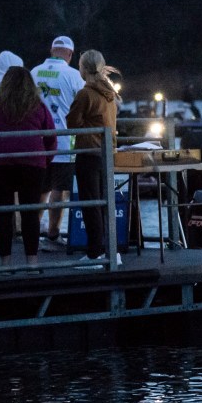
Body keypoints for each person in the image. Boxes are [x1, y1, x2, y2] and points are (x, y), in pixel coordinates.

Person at [0, 66, 57, 267]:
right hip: (32, 163)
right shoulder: (37, 105)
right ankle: (32, 262)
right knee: (30, 212)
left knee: (0, 212)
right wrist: (44, 161)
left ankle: (6, 262)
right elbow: (51, 137)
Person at [66, 49, 120, 266]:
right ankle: (111, 250)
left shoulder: (85, 94)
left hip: (88, 153)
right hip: (106, 153)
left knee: (91, 204)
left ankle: (95, 253)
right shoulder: (109, 94)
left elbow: (72, 123)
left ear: (83, 69)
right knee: (105, 203)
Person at [31, 36, 84, 248]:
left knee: (40, 189)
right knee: (59, 189)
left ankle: (32, 231)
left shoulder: (34, 72)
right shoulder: (74, 75)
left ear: (52, 50)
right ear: (70, 54)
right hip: (64, 140)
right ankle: (53, 234)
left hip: (37, 141)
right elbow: (84, 103)